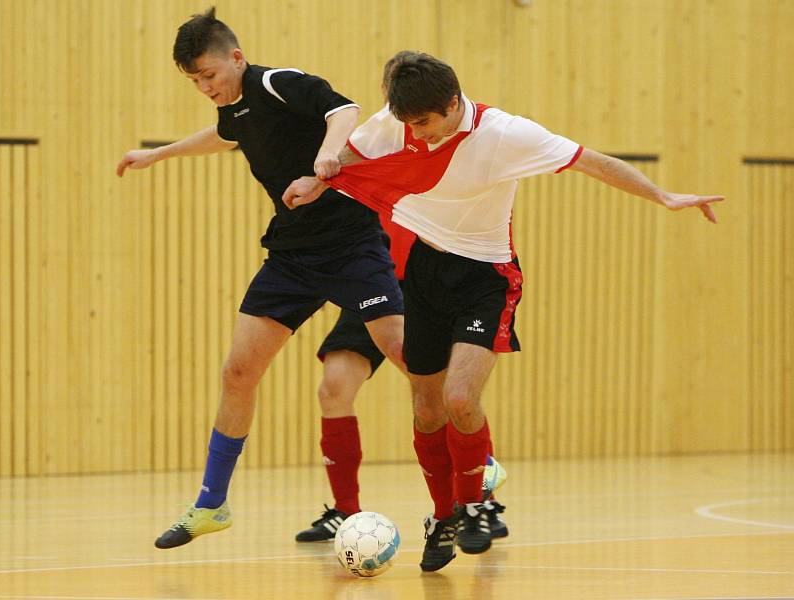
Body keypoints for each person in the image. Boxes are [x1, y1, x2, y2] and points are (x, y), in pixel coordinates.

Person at [283, 52, 723, 571]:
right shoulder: (398, 122)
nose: (416, 137)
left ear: (452, 104)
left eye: (424, 124)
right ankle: (442, 516)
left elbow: (593, 161)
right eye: (407, 125)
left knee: (461, 397)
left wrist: (663, 195)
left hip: (485, 278)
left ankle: (474, 505)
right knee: (427, 409)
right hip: (425, 270)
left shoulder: (507, 134)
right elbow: (356, 155)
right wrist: (318, 180)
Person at [115, 7, 406, 550]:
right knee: (238, 371)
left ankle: (477, 463)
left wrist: (322, 161)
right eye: (194, 80)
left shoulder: (277, 83)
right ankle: (211, 504)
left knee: (407, 352)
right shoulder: (237, 107)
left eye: (209, 75)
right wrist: (159, 154)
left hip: (352, 245)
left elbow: (345, 110)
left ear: (236, 58)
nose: (205, 87)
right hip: (293, 254)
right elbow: (226, 136)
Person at [297, 51, 509, 545]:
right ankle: (344, 512)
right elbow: (337, 160)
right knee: (334, 386)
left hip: (416, 288)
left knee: (445, 397)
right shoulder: (380, 138)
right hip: (372, 285)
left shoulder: (434, 147)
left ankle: (481, 491)